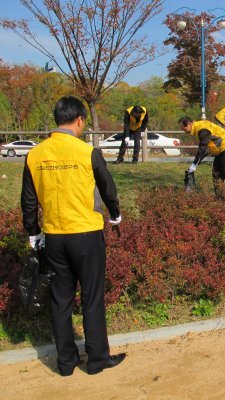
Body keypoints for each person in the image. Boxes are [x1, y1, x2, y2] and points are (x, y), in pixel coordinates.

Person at [21, 96, 126, 376]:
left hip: (54, 236)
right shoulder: (87, 152)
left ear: (57, 118)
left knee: (61, 299)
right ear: (80, 119)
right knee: (91, 297)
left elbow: (28, 200)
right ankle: (96, 360)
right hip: (87, 234)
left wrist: (33, 233)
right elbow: (107, 187)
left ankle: (66, 363)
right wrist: (115, 213)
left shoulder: (35, 154)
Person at [179, 116, 225, 184]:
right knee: (216, 174)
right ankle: (220, 194)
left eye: (184, 129)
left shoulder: (202, 129)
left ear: (189, 124)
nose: (185, 132)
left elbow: (203, 148)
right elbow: (206, 148)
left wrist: (194, 164)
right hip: (220, 150)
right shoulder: (199, 126)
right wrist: (196, 163)